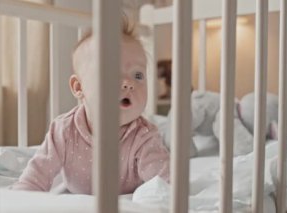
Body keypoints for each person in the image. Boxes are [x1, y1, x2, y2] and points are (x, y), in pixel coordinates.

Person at [10, 19, 170, 194]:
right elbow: (33, 180)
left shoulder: (144, 137)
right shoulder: (63, 131)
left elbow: (166, 186)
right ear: (79, 87)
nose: (129, 83)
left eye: (138, 75)